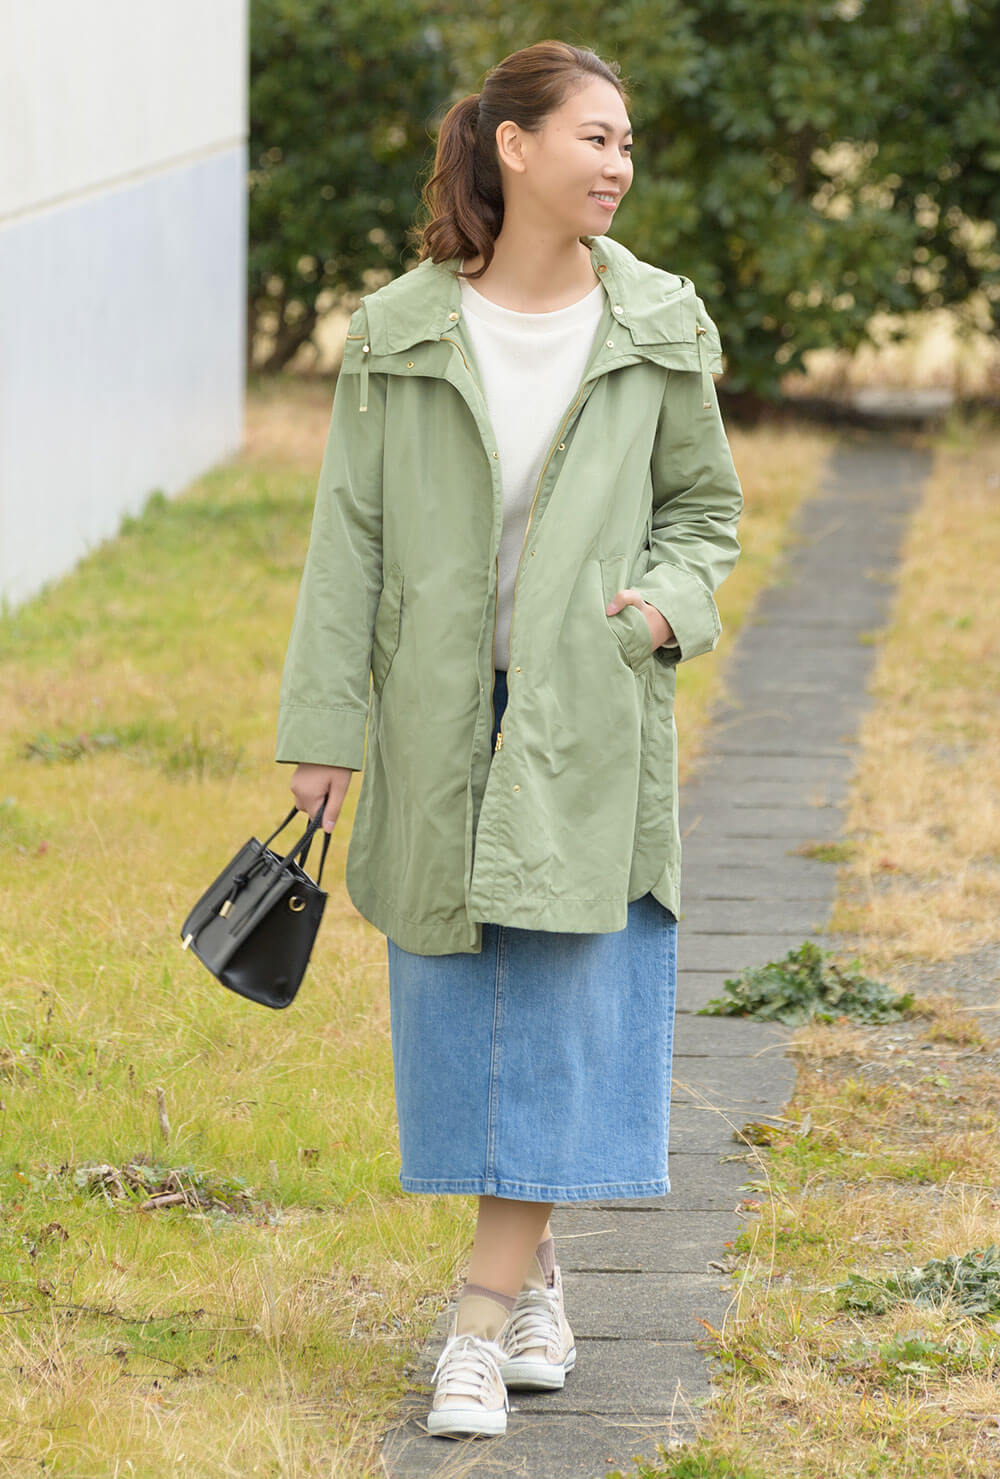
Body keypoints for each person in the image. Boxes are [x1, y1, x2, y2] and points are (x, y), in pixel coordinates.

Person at [276, 39, 743, 1441]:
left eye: (628, 144)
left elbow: (705, 512)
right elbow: (348, 541)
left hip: (586, 710)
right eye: (595, 137)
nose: (619, 164)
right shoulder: (401, 330)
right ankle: (534, 1277)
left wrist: (657, 612)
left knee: (549, 1009)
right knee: (459, 1016)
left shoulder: (658, 322)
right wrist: (324, 729)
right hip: (437, 715)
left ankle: (477, 1327)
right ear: (514, 145)